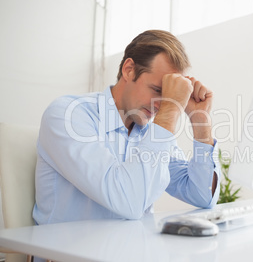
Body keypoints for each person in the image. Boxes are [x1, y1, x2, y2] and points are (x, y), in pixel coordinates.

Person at [33, 30, 220, 225]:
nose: (161, 105)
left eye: (169, 96)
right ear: (129, 69)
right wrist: (171, 108)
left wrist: (201, 122)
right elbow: (128, 201)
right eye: (157, 90)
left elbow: (202, 196)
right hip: (68, 253)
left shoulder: (149, 132)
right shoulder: (68, 115)